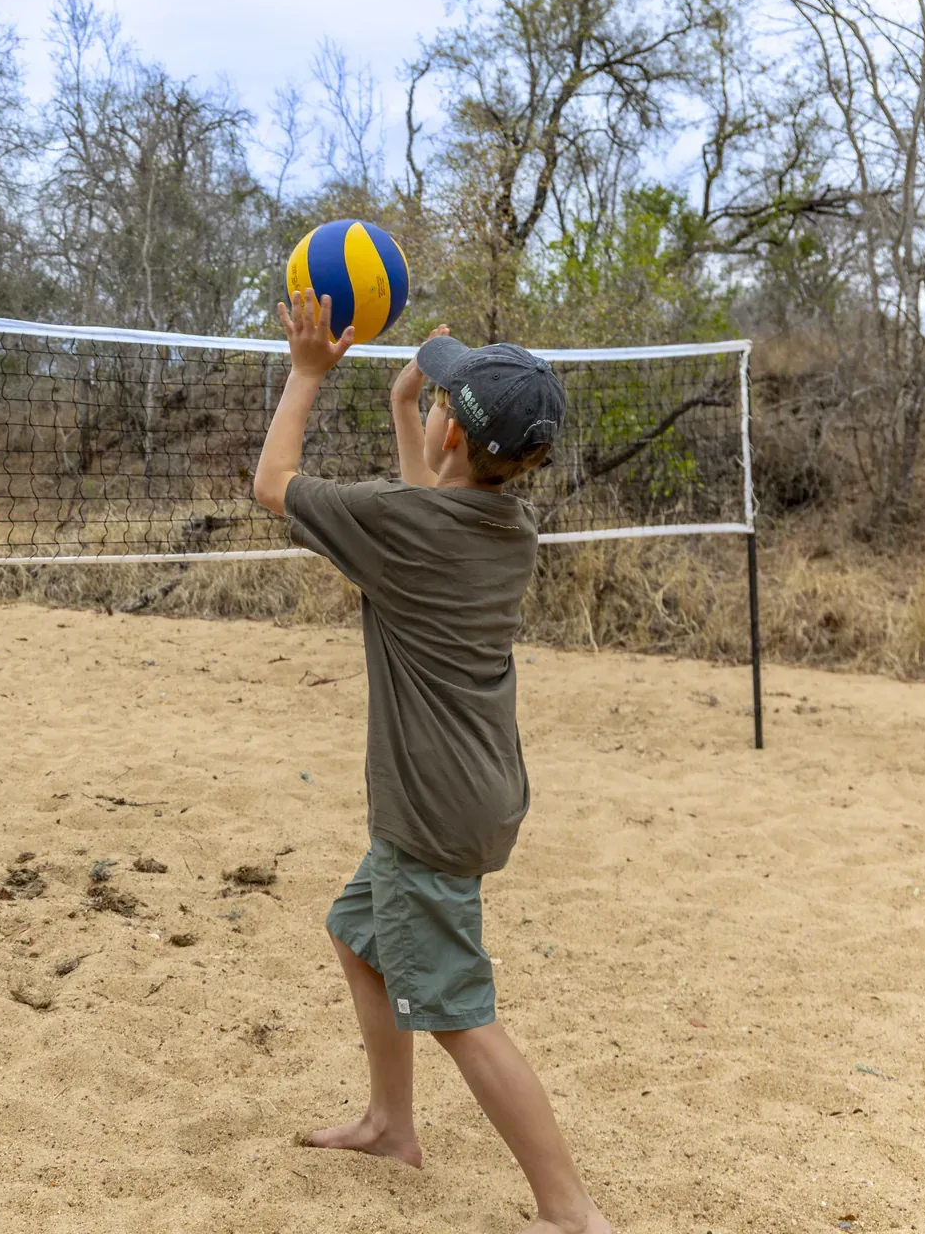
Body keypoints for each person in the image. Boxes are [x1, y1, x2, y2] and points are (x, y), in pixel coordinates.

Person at [253, 291, 608, 1234]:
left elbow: (274, 483)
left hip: (433, 803)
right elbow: (428, 503)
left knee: (456, 1010)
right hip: (475, 792)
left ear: (458, 437)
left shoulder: (405, 530)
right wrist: (410, 405)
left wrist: (306, 373)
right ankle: (389, 1124)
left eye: (445, 403)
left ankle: (572, 1212)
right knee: (356, 933)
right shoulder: (507, 530)